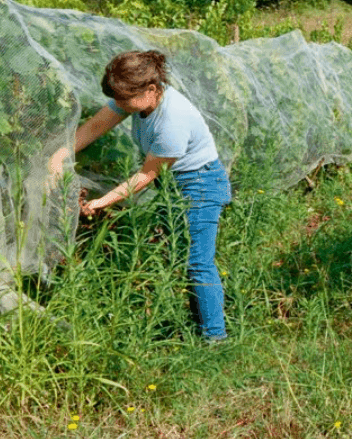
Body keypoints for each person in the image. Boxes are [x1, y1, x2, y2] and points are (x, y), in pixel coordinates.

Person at [48, 50, 230, 342]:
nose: (119, 105)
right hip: (176, 185)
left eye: (124, 99)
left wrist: (101, 201)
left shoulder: (172, 119)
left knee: (198, 261)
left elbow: (146, 175)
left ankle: (215, 338)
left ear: (152, 89)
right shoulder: (139, 100)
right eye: (117, 98)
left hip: (200, 184)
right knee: (182, 257)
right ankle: (200, 327)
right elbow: (96, 126)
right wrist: (61, 154)